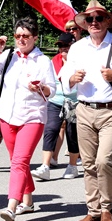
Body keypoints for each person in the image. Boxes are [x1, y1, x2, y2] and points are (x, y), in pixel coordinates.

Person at [61, 0, 112, 221]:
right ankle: (93, 211)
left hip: (111, 110)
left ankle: (107, 208)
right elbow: (65, 74)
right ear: (84, 24)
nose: (94, 22)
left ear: (107, 21)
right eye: (89, 19)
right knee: (88, 164)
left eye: (99, 18)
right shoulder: (78, 47)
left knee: (104, 161)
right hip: (84, 109)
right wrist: (71, 79)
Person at [0, 17, 56, 221]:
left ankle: (11, 207)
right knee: (17, 160)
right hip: (7, 116)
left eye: (25, 36)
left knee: (20, 161)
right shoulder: (7, 56)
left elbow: (53, 90)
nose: (21, 40)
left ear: (34, 37)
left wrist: (41, 87)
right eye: (18, 36)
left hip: (32, 117)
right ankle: (29, 200)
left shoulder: (43, 61)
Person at [32, 33, 81, 181]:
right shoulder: (54, 61)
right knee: (50, 129)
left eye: (66, 45)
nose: (63, 49)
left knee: (72, 134)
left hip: (74, 101)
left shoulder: (80, 61)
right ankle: (45, 166)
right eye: (60, 46)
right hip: (56, 100)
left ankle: (72, 166)